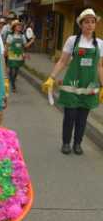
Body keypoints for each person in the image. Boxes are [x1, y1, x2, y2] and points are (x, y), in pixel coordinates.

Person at [42, 8, 103, 155]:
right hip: (72, 85)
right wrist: (52, 77)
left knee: (82, 118)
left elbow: (99, 66)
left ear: (95, 25)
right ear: (81, 25)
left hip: (89, 87)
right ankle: (66, 143)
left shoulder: (100, 43)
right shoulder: (72, 40)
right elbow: (62, 61)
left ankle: (77, 144)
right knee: (70, 116)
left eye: (92, 22)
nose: (90, 25)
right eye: (86, 22)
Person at [5, 20, 34, 92]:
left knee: (16, 71)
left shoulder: (23, 36)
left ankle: (13, 81)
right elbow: (7, 46)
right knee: (12, 70)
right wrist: (5, 53)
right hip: (11, 55)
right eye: (18, 25)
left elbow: (25, 46)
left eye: (20, 26)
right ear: (14, 27)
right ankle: (13, 85)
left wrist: (32, 40)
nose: (19, 27)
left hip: (19, 56)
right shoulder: (10, 36)